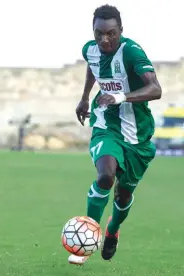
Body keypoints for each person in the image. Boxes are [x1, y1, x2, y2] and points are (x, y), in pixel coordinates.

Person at [70, 5, 162, 265]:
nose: (104, 40)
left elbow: (155, 89)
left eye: (111, 33)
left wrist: (120, 96)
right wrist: (85, 98)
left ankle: (112, 230)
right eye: (99, 33)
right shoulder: (90, 49)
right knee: (105, 175)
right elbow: (93, 66)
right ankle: (88, 235)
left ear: (121, 30)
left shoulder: (131, 51)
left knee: (123, 195)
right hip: (106, 124)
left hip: (137, 134)